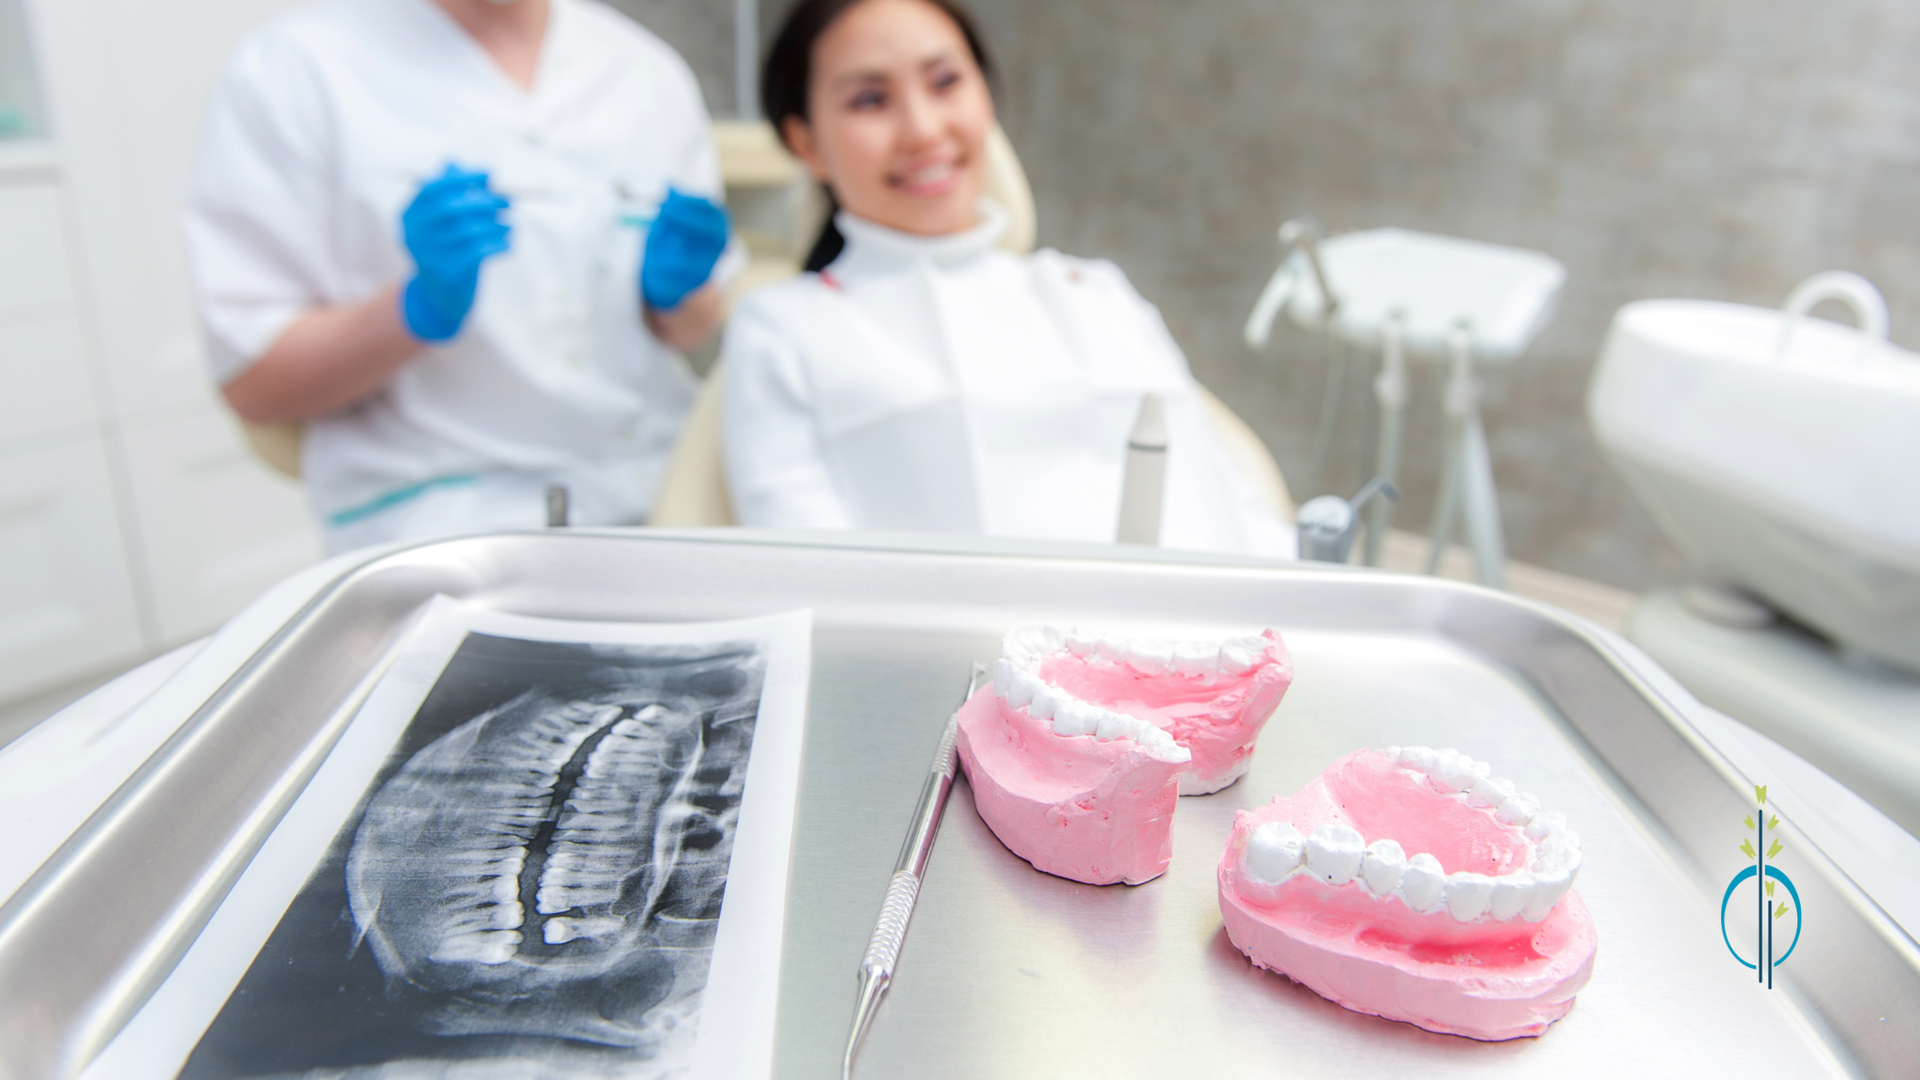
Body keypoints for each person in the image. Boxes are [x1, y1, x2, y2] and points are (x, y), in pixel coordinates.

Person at [721, 0, 1292, 556]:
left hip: (1213, 639)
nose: (922, 129)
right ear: (806, 143)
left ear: (985, 97)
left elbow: (1238, 513)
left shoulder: (1095, 293)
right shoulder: (784, 326)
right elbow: (804, 569)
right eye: (870, 100)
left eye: (945, 82)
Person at [186, 0, 740, 553]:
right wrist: (413, 310)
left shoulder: (643, 69)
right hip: (441, 527)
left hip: (660, 500)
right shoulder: (292, 71)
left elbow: (689, 328)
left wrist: (678, 298)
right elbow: (253, 384)